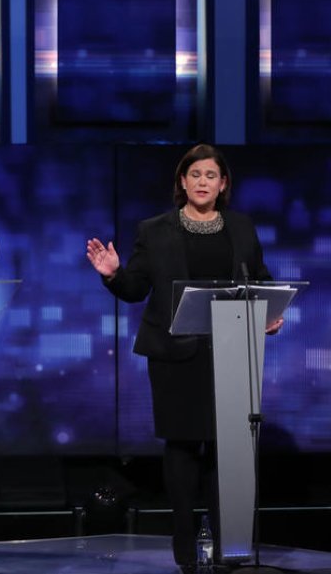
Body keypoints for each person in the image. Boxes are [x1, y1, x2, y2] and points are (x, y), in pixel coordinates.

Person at [85, 143, 282, 570]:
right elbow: (136, 289)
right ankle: (184, 541)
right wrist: (114, 274)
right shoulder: (154, 230)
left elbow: (260, 279)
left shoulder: (242, 227)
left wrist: (269, 313)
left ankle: (226, 539)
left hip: (230, 352)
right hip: (175, 354)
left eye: (211, 175)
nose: (203, 182)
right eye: (195, 175)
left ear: (223, 183)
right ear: (182, 181)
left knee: (224, 446)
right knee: (182, 444)